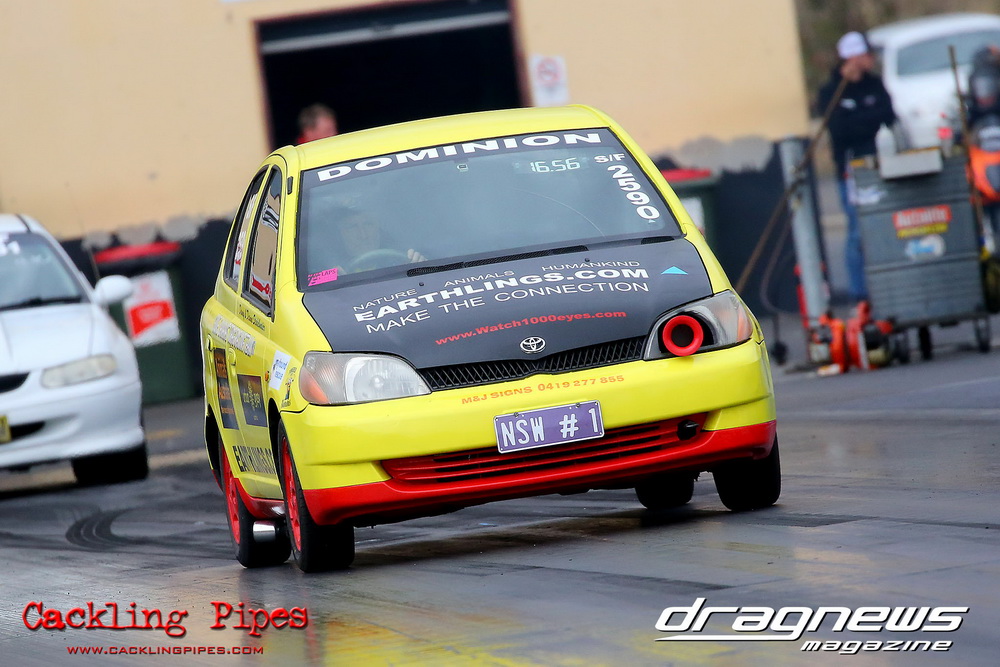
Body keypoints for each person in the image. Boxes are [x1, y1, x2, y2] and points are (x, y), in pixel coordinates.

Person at [818, 30, 896, 304]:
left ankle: (887, 286)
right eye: (866, 54)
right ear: (852, 57)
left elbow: (888, 115)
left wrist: (859, 119)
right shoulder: (832, 90)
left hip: (880, 166)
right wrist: (867, 120)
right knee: (856, 231)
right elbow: (839, 130)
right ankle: (859, 293)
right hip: (850, 170)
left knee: (885, 225)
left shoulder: (874, 84)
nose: (871, 59)